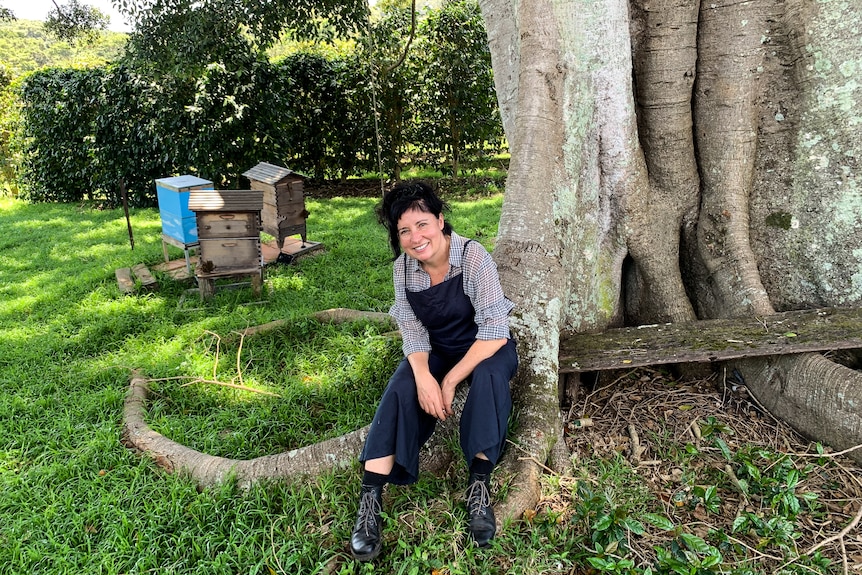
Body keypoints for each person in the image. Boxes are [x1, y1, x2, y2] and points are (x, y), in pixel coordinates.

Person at [349, 181, 518, 561]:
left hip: (486, 347)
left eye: (422, 224)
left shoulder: (473, 257)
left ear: (440, 220)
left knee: (490, 379)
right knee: (400, 387)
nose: (415, 237)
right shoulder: (403, 270)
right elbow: (411, 329)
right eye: (404, 231)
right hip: (437, 349)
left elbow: (495, 329)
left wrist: (451, 380)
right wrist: (425, 377)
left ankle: (478, 487)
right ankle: (370, 500)